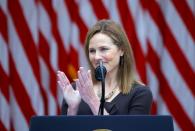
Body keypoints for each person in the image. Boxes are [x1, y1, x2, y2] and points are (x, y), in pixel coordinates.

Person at [57, 19, 153, 115]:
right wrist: (73, 108)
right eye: (92, 51)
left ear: (122, 50)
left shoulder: (140, 93)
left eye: (103, 49)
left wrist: (92, 100)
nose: (97, 57)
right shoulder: (76, 90)